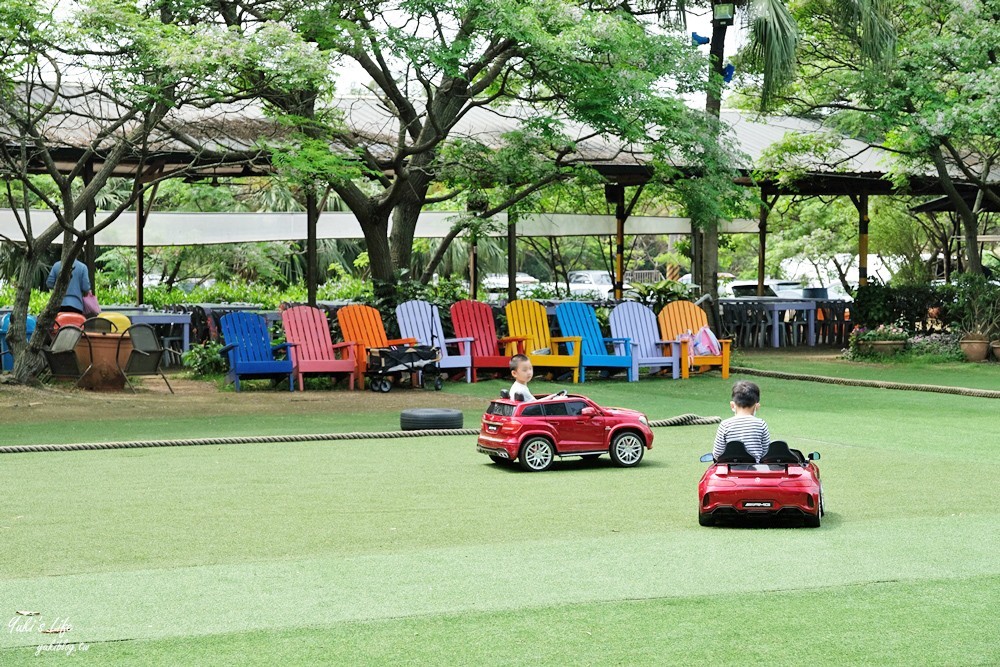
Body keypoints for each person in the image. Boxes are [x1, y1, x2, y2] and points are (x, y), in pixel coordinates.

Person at [712, 380, 771, 462]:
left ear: (732, 405)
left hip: (730, 471)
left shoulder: (725, 425)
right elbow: (766, 453)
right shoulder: (761, 424)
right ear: (757, 406)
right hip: (755, 471)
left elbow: (717, 453)